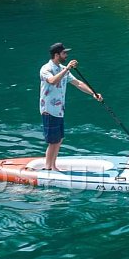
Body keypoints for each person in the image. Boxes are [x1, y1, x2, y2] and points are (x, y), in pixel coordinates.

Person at [39, 42, 102, 170]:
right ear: (56, 55)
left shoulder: (62, 69)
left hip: (59, 110)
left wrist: (93, 93)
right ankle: (48, 167)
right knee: (53, 141)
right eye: (64, 53)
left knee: (59, 139)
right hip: (49, 110)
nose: (66, 55)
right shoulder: (46, 69)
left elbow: (77, 83)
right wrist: (67, 68)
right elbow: (52, 81)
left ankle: (53, 166)